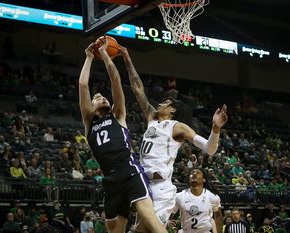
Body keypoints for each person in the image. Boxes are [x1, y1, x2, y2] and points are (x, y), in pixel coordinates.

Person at [120, 46, 228, 226]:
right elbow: (138, 90)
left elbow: (210, 149)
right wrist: (127, 60)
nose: (160, 103)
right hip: (143, 184)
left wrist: (215, 129)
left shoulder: (177, 127)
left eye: (165, 102)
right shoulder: (152, 119)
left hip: (161, 188)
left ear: (172, 110)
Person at [78, 38, 166, 233]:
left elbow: (115, 80)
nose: (100, 97)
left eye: (103, 96)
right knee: (114, 230)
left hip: (130, 172)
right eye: (96, 98)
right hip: (110, 181)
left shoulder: (118, 115)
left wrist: (107, 56)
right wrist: (89, 57)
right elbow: (83, 85)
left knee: (150, 219)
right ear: (91, 107)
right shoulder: (89, 122)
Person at [170, 168, 222, 233]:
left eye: (198, 173)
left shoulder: (213, 197)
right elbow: (169, 214)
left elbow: (218, 216)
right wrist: (168, 221)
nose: (194, 174)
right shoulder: (179, 196)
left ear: (204, 179)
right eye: (192, 173)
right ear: (189, 179)